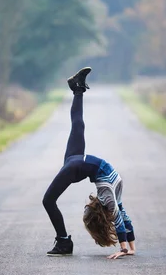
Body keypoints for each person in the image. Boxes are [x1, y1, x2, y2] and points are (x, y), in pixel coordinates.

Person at [42, 67, 136, 259]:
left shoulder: (109, 198)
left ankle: (63, 242)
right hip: (76, 165)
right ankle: (77, 88)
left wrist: (128, 247)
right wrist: (127, 248)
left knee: (48, 200)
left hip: (78, 166)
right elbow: (121, 218)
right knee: (78, 125)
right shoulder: (110, 201)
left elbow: (121, 217)